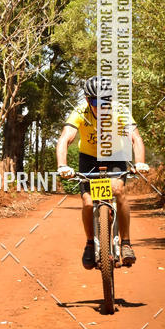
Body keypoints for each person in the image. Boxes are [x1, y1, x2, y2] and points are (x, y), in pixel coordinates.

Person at [56, 76, 149, 270]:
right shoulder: (80, 112)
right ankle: (90, 243)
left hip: (115, 157)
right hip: (88, 159)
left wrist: (140, 162)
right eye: (96, 102)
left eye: (106, 102)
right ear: (87, 100)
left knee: (118, 191)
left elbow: (135, 138)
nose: (102, 107)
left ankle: (126, 244)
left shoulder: (120, 110)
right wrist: (62, 165)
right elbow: (65, 139)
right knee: (88, 202)